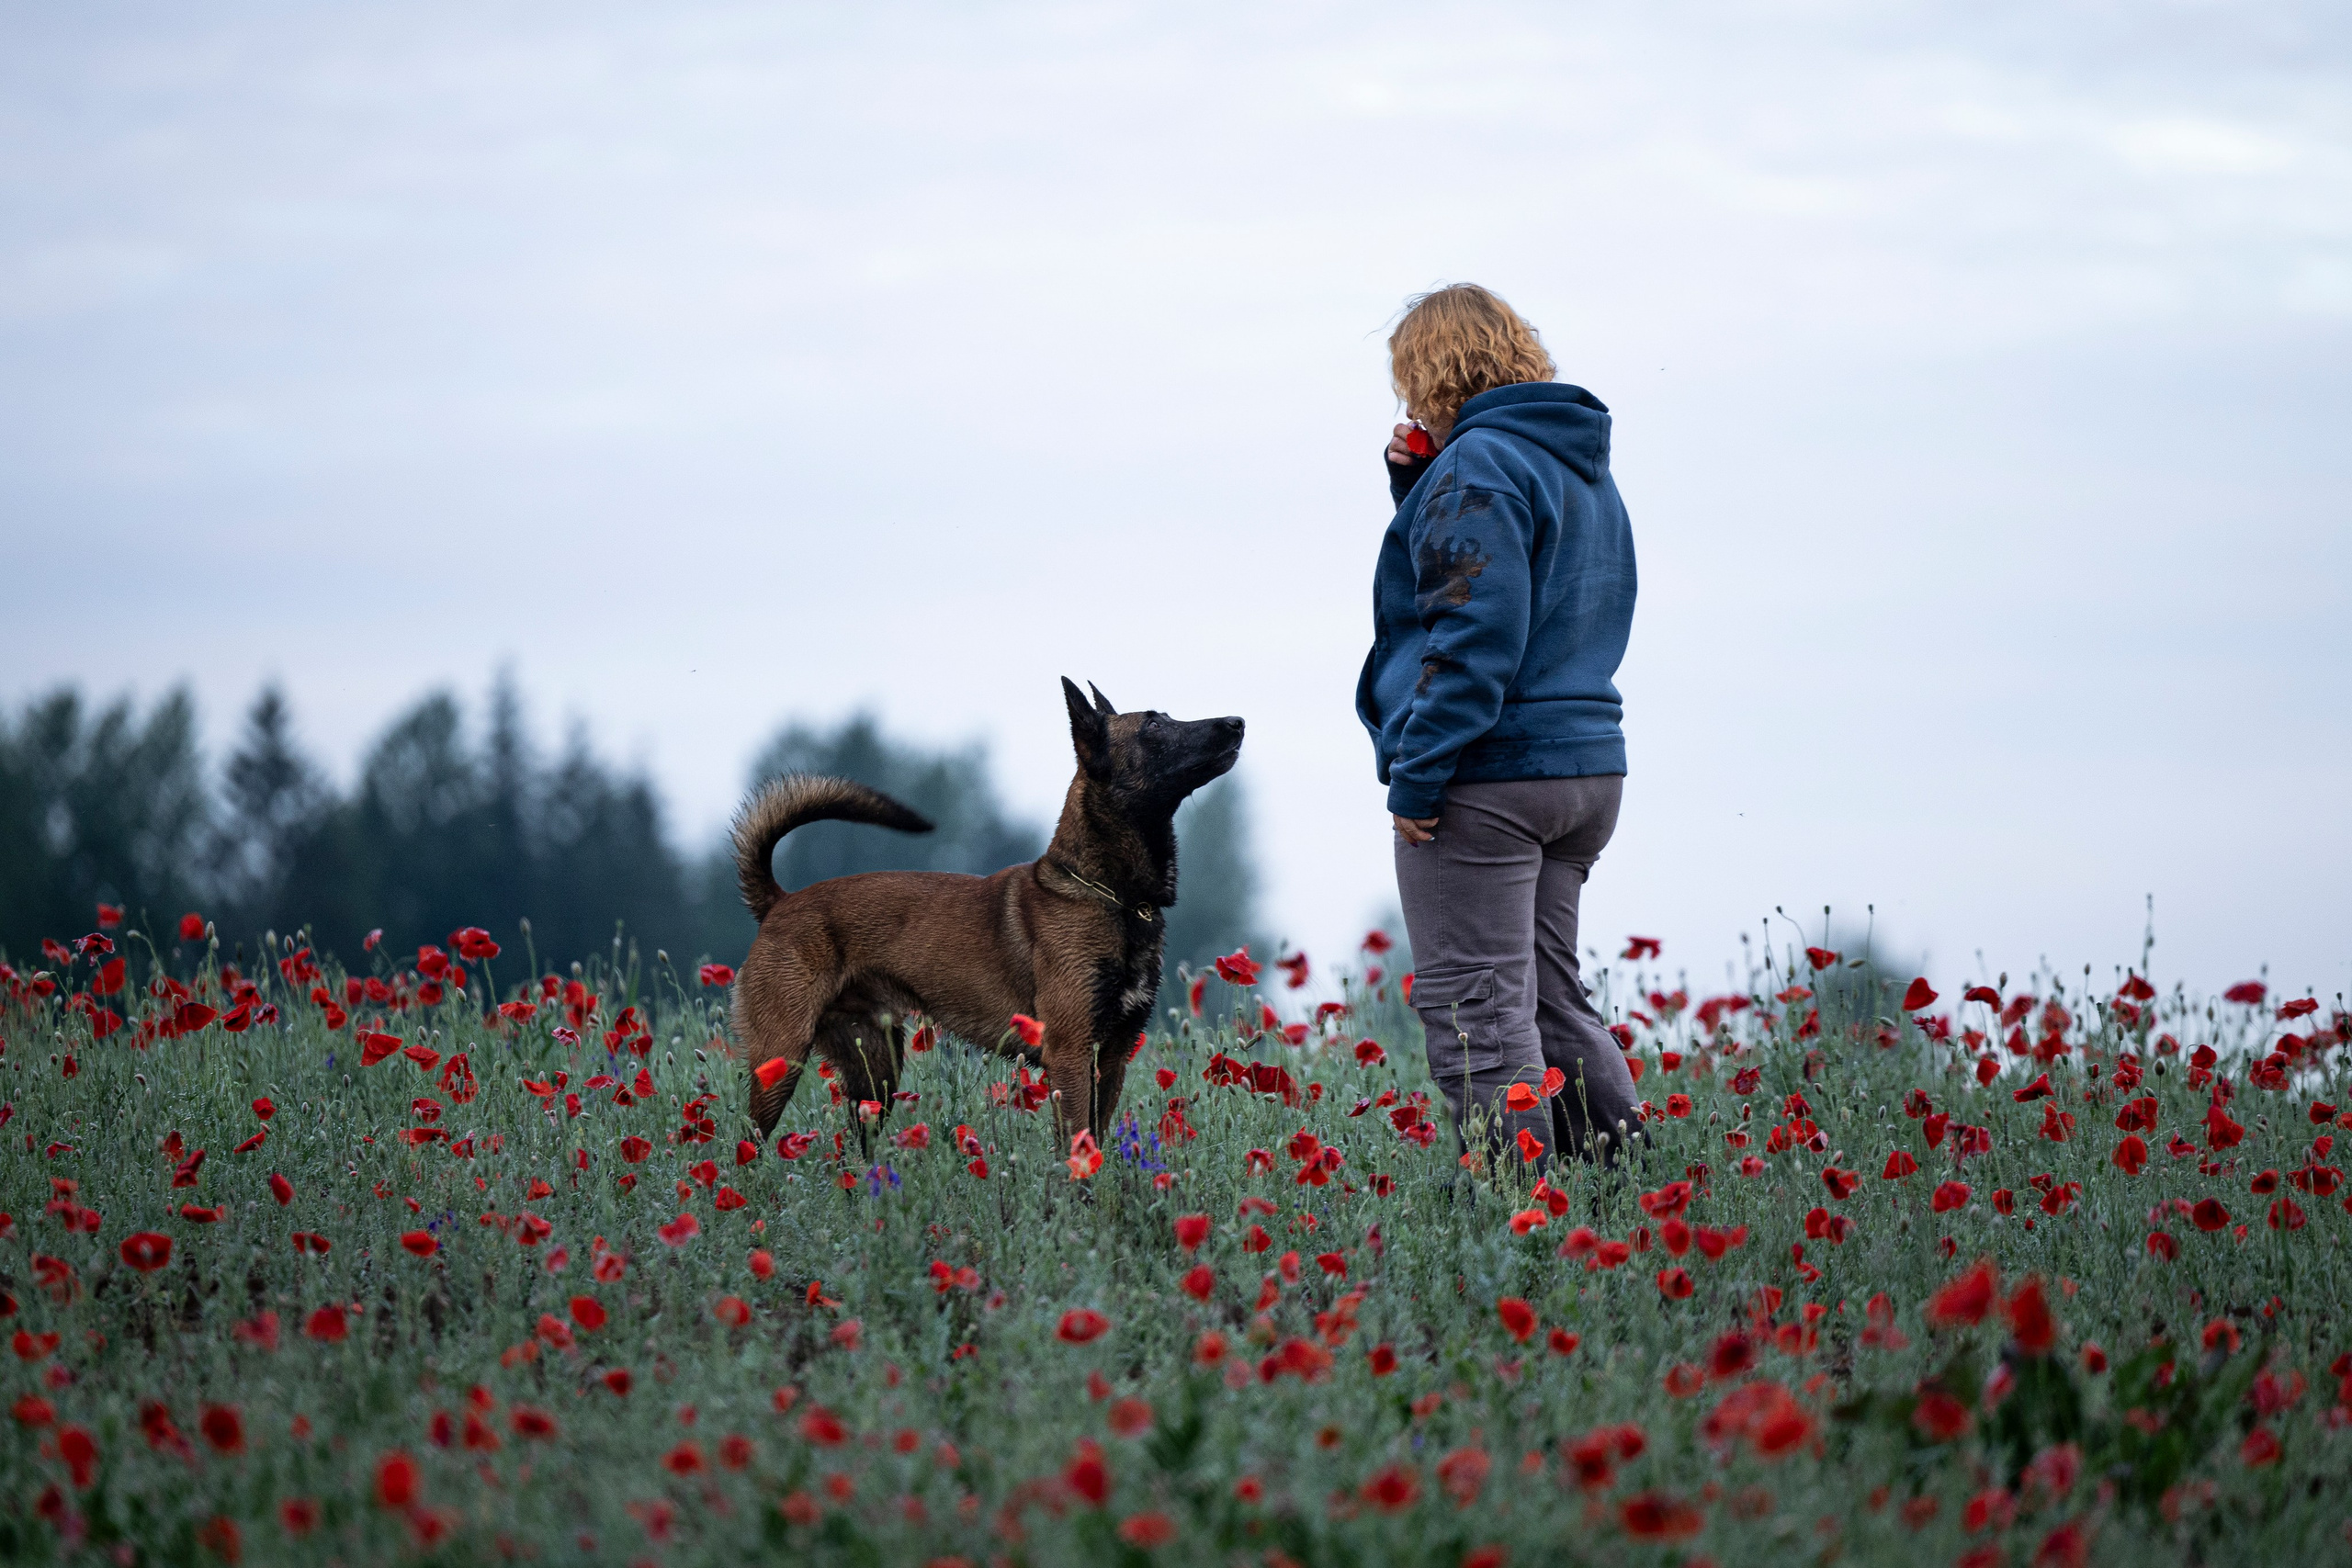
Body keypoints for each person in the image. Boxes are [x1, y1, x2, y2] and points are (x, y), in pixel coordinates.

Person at [1355, 283, 1641, 1169]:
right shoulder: (1573, 463)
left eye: (1408, 380)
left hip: (1490, 775)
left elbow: (1475, 636)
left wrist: (1419, 771)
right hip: (1583, 769)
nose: (1404, 402)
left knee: (1476, 1010)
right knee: (1552, 1001)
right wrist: (1418, 483)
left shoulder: (1478, 466)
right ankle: (1625, 1198)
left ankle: (1521, 1224)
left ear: (1433, 369)